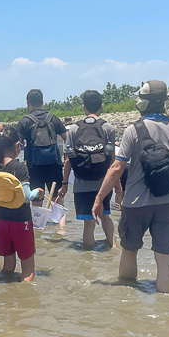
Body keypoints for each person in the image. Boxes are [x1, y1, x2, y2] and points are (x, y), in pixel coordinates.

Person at [93, 80, 169, 293]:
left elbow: (116, 168)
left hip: (135, 202)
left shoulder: (134, 130)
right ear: (166, 102)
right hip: (168, 202)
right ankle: (167, 315)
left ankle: (127, 303)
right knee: (165, 259)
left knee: (129, 251)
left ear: (142, 103)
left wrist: (99, 198)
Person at [56, 89, 121, 249]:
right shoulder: (108, 128)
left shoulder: (73, 129)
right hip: (103, 182)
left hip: (82, 182)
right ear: (102, 106)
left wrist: (64, 184)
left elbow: (67, 161)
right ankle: (113, 249)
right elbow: (113, 160)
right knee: (106, 217)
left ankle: (88, 260)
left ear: (84, 107)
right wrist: (117, 183)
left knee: (88, 225)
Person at [0, 125, 39, 281]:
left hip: (1, 221)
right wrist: (39, 192)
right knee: (27, 269)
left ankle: (5, 298)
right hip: (20, 221)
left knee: (8, 266)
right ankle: (24, 301)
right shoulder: (19, 167)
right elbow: (26, 196)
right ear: (17, 146)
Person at [17, 89, 68, 210]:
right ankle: (61, 229)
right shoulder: (53, 119)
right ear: (43, 102)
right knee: (58, 200)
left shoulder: (25, 121)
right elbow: (68, 139)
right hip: (54, 165)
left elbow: (16, 145)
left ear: (27, 103)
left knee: (36, 201)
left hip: (34, 167)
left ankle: (39, 228)